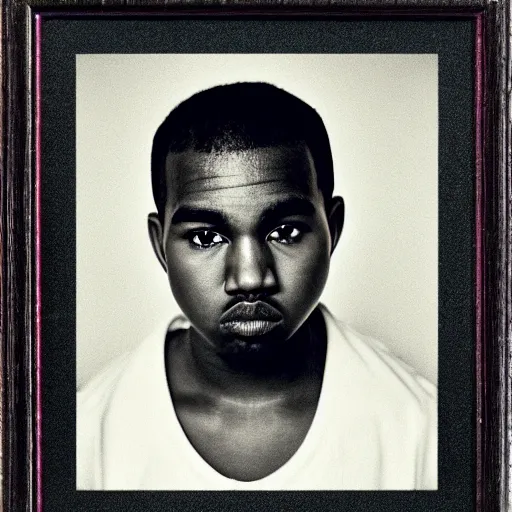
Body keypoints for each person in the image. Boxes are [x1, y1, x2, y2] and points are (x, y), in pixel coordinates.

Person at [77, 82, 437, 490]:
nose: (250, 279)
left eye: (285, 231)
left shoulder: (422, 431)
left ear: (332, 230)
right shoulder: (84, 437)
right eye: (205, 238)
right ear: (160, 245)